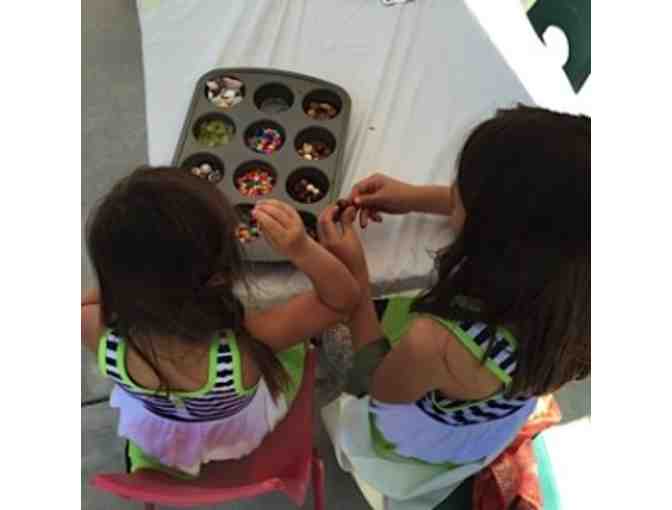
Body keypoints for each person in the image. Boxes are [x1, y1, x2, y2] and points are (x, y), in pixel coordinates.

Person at [321, 105, 590, 507]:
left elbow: (378, 384)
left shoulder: (438, 342)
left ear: (491, 232)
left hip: (412, 441)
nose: (452, 195)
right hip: (484, 430)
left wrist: (355, 278)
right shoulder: (579, 287)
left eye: (458, 192)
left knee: (333, 335)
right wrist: (412, 197)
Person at [81, 166, 362, 477]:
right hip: (235, 434)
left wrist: (130, 283)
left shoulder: (92, 328)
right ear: (220, 276)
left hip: (163, 430)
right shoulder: (249, 342)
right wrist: (302, 249)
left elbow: (89, 303)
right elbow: (342, 300)